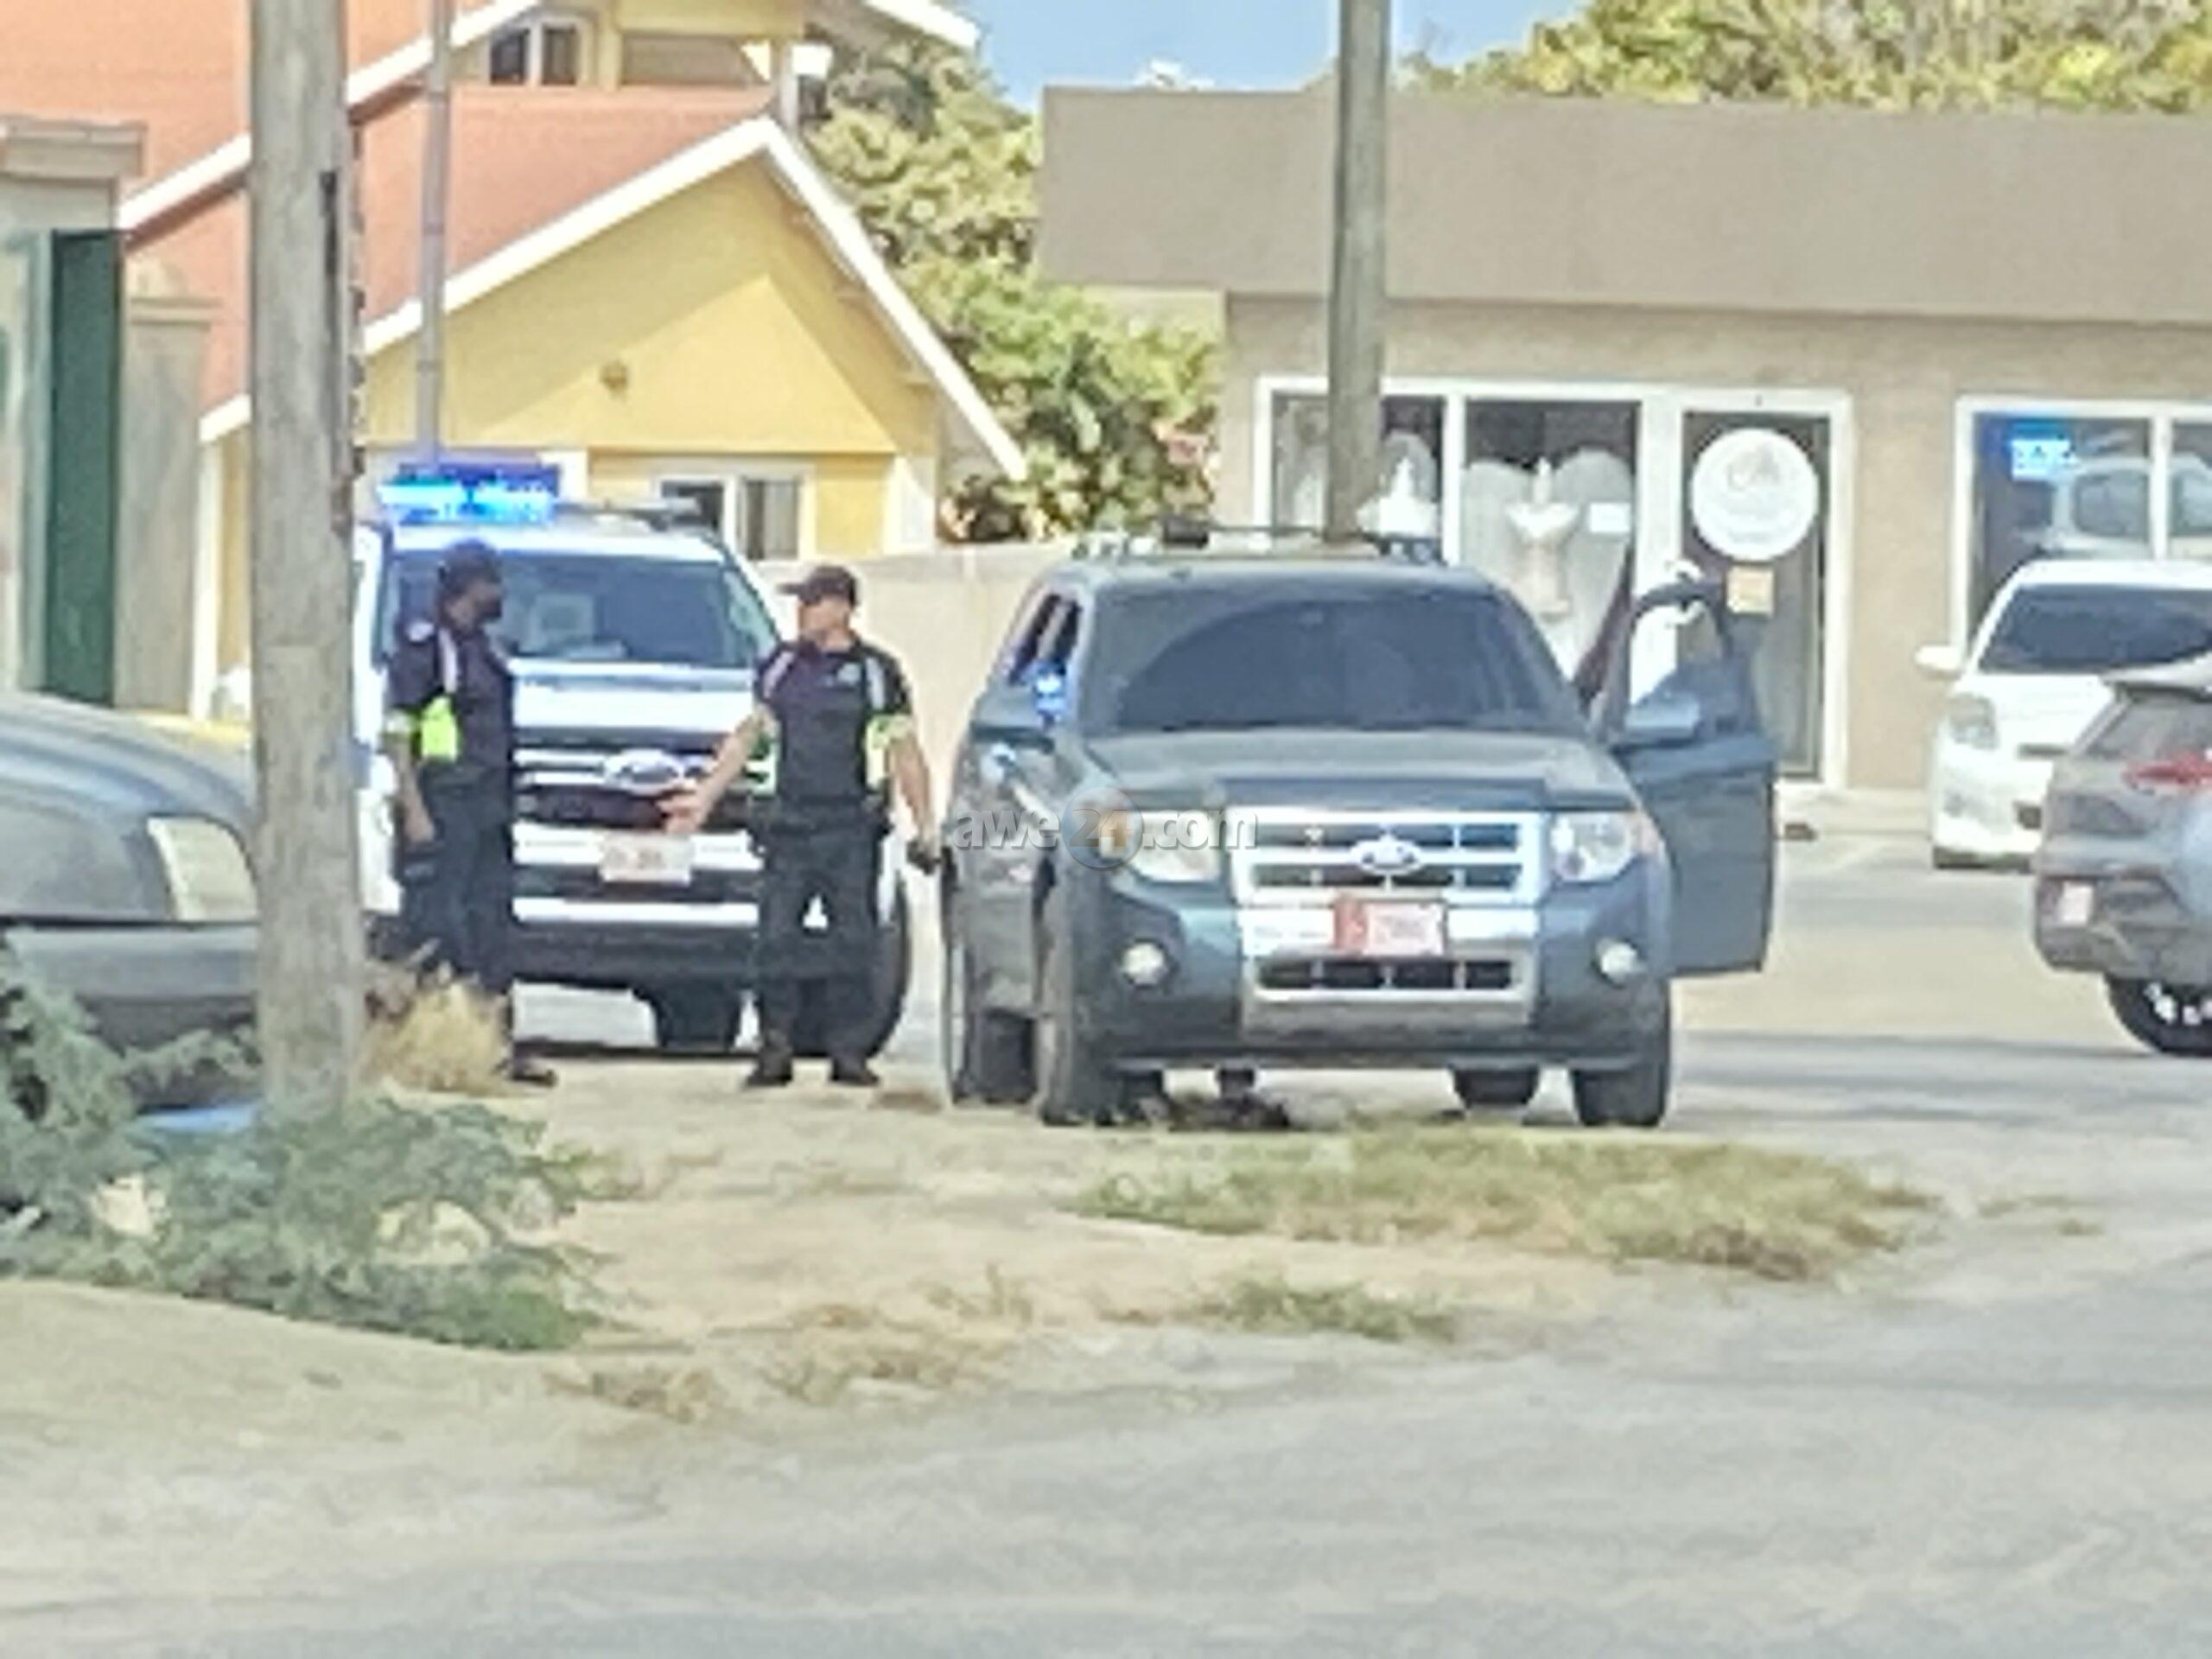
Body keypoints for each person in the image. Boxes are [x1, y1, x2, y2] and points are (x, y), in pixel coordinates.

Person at [664, 564, 938, 1090]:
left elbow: (904, 750)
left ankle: (848, 1053)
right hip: (788, 827)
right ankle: (774, 1049)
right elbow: (748, 737)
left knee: (854, 944)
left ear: (842, 608)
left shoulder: (877, 673)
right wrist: (704, 797)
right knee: (775, 943)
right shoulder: (782, 666)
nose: (802, 613)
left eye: (812, 603)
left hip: (851, 829)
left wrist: (925, 825)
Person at [383, 541, 553, 1087]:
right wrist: (414, 810)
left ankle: (494, 1049)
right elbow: (398, 732)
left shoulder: (481, 649)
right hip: (444, 804)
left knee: (491, 929)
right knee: (439, 929)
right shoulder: (427, 650)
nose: (500, 594)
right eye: (492, 583)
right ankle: (428, 1049)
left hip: (488, 809)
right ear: (470, 587)